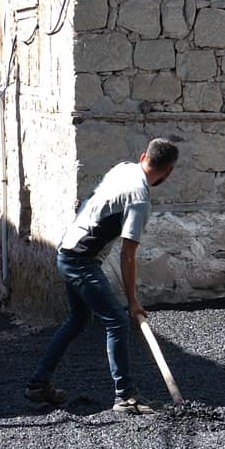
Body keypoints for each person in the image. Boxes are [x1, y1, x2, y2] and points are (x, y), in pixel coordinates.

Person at [26, 137, 179, 415]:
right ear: (168, 171)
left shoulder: (123, 168)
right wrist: (133, 301)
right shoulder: (140, 199)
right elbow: (128, 254)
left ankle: (39, 382)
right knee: (118, 321)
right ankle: (125, 396)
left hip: (68, 248)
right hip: (80, 260)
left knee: (78, 319)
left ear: (144, 155)